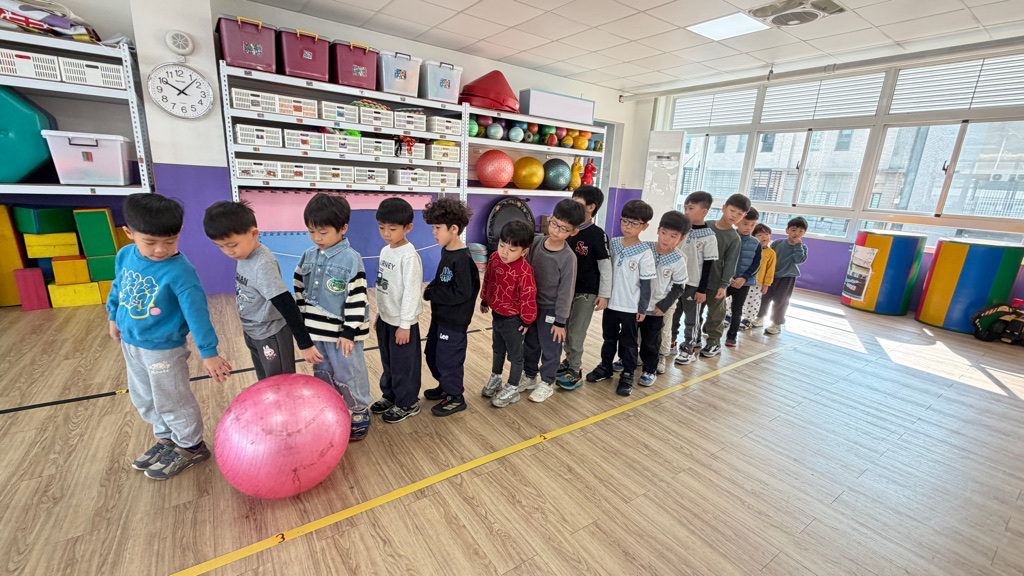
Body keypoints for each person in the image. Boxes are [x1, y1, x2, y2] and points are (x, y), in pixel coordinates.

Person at [107, 193, 232, 480]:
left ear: (179, 232)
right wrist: (113, 315)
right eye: (150, 242)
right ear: (129, 232)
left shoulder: (181, 272)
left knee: (172, 399)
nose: (161, 250)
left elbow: (197, 314)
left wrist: (209, 352)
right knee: (145, 398)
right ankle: (168, 439)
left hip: (164, 350)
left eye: (170, 241)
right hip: (132, 344)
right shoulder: (125, 255)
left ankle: (191, 445)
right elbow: (119, 287)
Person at [203, 200, 322, 380]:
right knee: (266, 382)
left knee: (280, 382)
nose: (228, 251)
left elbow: (286, 304)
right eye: (220, 246)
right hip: (253, 331)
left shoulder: (263, 264)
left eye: (233, 245)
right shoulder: (243, 255)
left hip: (271, 333)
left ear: (253, 234)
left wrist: (305, 344)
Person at [294, 193, 372, 440]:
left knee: (350, 373)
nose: (317, 238)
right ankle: (329, 409)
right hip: (315, 333)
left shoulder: (350, 258)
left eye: (323, 232)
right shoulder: (308, 255)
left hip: (342, 336)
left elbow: (357, 296)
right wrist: (302, 323)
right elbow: (298, 288)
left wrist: (349, 331)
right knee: (323, 373)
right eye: (311, 231)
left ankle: (359, 410)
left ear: (343, 228)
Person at [586, 199, 656, 397]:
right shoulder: (613, 243)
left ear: (644, 226)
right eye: (624, 221)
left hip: (631, 307)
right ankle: (605, 367)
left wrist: (642, 308)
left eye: (634, 223)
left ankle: (627, 374)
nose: (627, 226)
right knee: (608, 338)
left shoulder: (645, 253)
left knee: (629, 343)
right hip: (610, 304)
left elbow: (646, 284)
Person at [421, 197, 480, 417]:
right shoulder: (447, 251)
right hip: (440, 318)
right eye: (433, 228)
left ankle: (456, 396)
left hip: (454, 323)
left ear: (454, 229)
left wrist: (433, 293)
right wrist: (432, 287)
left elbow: (462, 292)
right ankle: (445, 386)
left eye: (438, 228)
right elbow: (442, 278)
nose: (434, 232)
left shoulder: (463, 259)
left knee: (448, 360)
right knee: (432, 354)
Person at [522, 199, 584, 403]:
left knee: (550, 348)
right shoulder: (536, 243)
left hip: (551, 311)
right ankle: (529, 376)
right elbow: (525, 272)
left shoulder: (568, 258)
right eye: (555, 224)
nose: (556, 230)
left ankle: (547, 382)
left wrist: (560, 321)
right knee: (530, 344)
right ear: (550, 218)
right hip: (532, 306)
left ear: (573, 232)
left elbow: (566, 292)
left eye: (564, 229)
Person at [370, 198, 424, 424]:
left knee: (404, 366)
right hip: (386, 319)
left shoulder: (409, 256)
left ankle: (407, 402)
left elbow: (411, 292)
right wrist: (380, 312)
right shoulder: (385, 251)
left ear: (408, 227)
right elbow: (383, 285)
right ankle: (391, 395)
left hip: (403, 324)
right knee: (388, 362)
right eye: (381, 227)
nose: (386, 233)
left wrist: (405, 324)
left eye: (392, 229)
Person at [556, 185, 611, 390]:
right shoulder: (567, 230)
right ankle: (569, 359)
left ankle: (575, 370)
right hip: (565, 291)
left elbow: (605, 267)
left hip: (586, 293)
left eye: (577, 203)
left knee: (576, 333)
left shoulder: (597, 234)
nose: (572, 206)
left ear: (591, 207)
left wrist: (604, 294)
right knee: (565, 330)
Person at [480, 220, 537, 408]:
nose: (504, 252)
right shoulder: (495, 258)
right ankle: (496, 377)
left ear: (524, 251)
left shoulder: (524, 271)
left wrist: (527, 321)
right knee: (497, 349)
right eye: (502, 245)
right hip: (497, 315)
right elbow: (488, 279)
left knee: (515, 355)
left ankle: (512, 388)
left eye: (512, 249)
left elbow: (528, 296)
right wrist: (485, 299)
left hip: (514, 320)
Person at [637, 211, 690, 387]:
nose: (666, 238)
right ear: (658, 230)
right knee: (636, 333)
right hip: (640, 304)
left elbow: (679, 287)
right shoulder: (645, 249)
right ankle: (635, 357)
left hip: (663, 305)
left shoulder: (679, 259)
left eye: (673, 236)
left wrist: (664, 305)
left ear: (681, 239)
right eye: (664, 232)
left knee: (661, 334)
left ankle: (658, 359)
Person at [698, 193, 750, 358]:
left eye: (739, 214)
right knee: (695, 313)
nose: (734, 216)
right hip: (697, 281)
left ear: (744, 216)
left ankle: (714, 343)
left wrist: (723, 285)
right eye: (732, 210)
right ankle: (694, 339)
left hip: (716, 284)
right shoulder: (706, 226)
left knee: (715, 315)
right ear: (724, 208)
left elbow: (730, 264)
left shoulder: (734, 238)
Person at [671, 191, 718, 368]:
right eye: (685, 208)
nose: (686, 212)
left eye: (691, 208)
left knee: (692, 319)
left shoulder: (709, 236)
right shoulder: (681, 231)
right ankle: (670, 341)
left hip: (694, 285)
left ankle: (689, 348)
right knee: (673, 315)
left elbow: (708, 265)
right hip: (676, 283)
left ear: (704, 211)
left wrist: (701, 290)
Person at [756, 217, 808, 335]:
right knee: (764, 297)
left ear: (804, 233)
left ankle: (776, 324)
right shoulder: (778, 243)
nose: (796, 233)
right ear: (787, 230)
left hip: (787, 277)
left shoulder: (802, 247)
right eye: (793, 230)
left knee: (780, 301)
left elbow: (798, 260)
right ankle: (760, 317)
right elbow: (769, 256)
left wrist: (798, 246)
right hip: (771, 276)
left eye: (800, 231)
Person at [724, 208, 762, 348]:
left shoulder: (756, 243)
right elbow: (723, 259)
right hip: (726, 281)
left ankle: (732, 336)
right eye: (745, 224)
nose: (749, 228)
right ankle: (710, 328)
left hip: (743, 283)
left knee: (737, 309)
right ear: (738, 222)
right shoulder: (729, 237)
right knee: (717, 306)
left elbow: (757, 264)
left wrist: (744, 278)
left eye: (753, 225)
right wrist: (728, 277)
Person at [739, 223, 776, 332]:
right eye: (760, 235)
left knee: (752, 302)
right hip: (743, 280)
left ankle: (748, 319)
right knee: (733, 299)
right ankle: (728, 316)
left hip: (758, 283)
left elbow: (770, 270)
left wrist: (766, 284)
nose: (764, 237)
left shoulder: (771, 253)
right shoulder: (749, 248)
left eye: (766, 234)